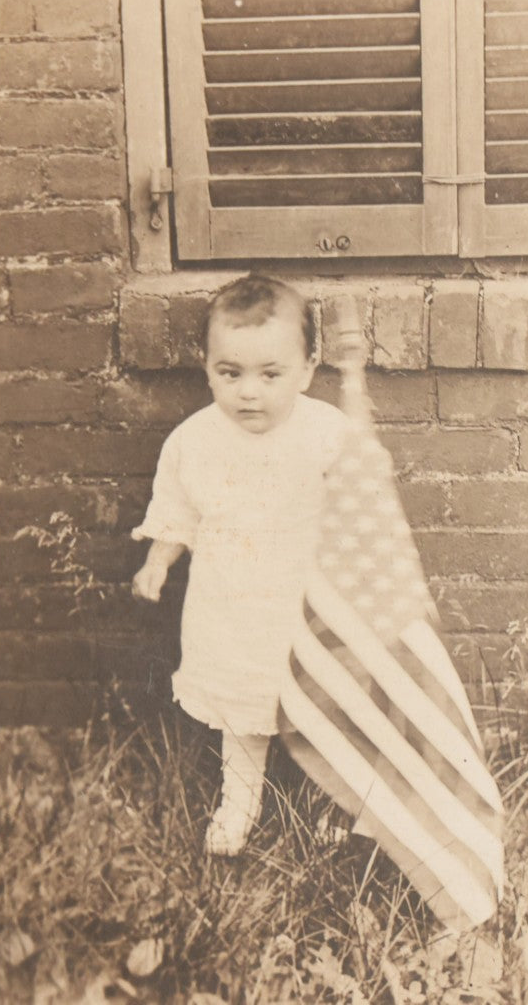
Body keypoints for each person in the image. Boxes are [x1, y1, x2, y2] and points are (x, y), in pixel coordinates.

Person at [131, 274, 348, 857]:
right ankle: (239, 804)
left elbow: (359, 505)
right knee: (242, 709)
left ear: (307, 369)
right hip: (231, 607)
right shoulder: (194, 440)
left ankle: (330, 800)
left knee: (319, 707)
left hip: (304, 605)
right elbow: (177, 510)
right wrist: (158, 561)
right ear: (207, 369)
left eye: (270, 375)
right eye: (231, 374)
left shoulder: (327, 432)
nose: (249, 393)